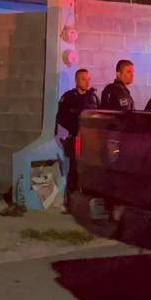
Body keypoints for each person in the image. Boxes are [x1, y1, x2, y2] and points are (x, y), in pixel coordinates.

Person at [55, 68, 99, 205]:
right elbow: (61, 118)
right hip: (76, 138)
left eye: (88, 79)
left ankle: (87, 201)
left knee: (90, 170)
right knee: (74, 170)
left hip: (91, 141)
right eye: (83, 79)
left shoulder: (94, 97)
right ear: (76, 81)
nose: (87, 82)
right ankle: (71, 202)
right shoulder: (68, 98)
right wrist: (76, 129)